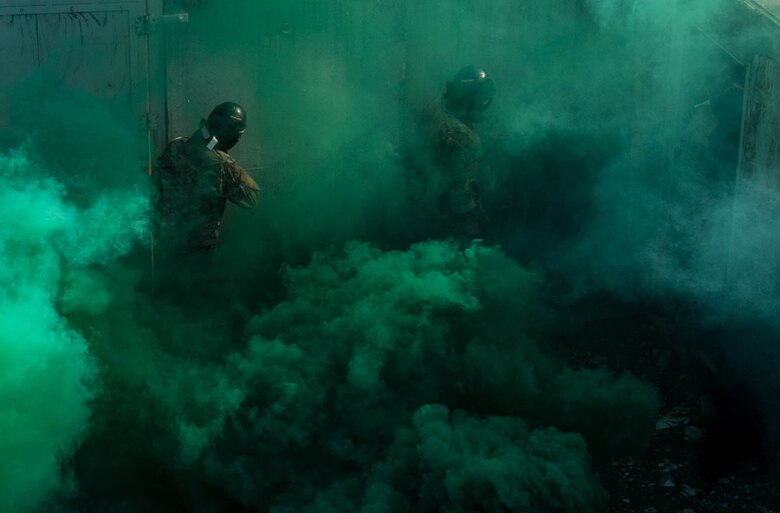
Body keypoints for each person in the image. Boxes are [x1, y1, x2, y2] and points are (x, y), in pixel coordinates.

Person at [154, 101, 260, 254]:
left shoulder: (175, 146)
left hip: (167, 244)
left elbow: (153, 190)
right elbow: (252, 198)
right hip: (199, 250)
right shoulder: (222, 163)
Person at [412, 66, 495, 240]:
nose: (484, 105)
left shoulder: (436, 105)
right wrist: (472, 221)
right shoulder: (462, 137)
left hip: (417, 185)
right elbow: (459, 190)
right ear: (469, 101)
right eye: (481, 101)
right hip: (437, 203)